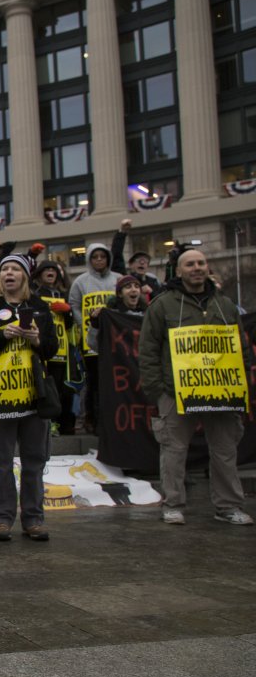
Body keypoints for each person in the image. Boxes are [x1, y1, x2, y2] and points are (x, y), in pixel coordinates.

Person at [138, 247, 254, 526]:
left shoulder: (225, 305)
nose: (197, 268)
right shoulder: (163, 305)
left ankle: (228, 506)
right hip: (175, 391)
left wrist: (243, 378)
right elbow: (148, 349)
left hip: (222, 392)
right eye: (190, 264)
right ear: (178, 271)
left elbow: (240, 344)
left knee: (225, 450)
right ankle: (173, 504)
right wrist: (158, 390)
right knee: (174, 451)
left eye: (201, 263)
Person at [0, 254, 59, 542]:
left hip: (34, 396)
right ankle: (1, 518)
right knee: (0, 460)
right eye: (4, 270)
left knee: (34, 460)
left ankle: (34, 518)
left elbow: (52, 349)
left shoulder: (39, 309)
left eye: (15, 269)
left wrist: (37, 340)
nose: (9, 273)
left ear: (25, 277)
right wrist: (3, 335)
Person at [68, 242, 121, 434]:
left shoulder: (118, 279)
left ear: (108, 258)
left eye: (102, 256)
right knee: (92, 382)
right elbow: (74, 304)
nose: (99, 260)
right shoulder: (80, 282)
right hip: (90, 341)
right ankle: (91, 418)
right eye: (95, 257)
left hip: (115, 340)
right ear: (89, 260)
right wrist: (85, 325)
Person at [32, 260, 77, 435]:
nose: (50, 272)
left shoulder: (63, 294)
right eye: (47, 269)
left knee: (63, 389)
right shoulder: (35, 294)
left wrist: (68, 312)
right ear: (40, 274)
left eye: (53, 270)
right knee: (46, 388)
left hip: (63, 349)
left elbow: (70, 325)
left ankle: (61, 422)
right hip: (44, 348)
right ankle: (47, 423)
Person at [110, 219, 162, 298]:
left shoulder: (154, 282)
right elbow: (116, 256)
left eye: (145, 261)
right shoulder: (126, 279)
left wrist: (151, 292)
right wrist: (122, 232)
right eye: (138, 260)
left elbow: (160, 300)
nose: (142, 263)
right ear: (131, 265)